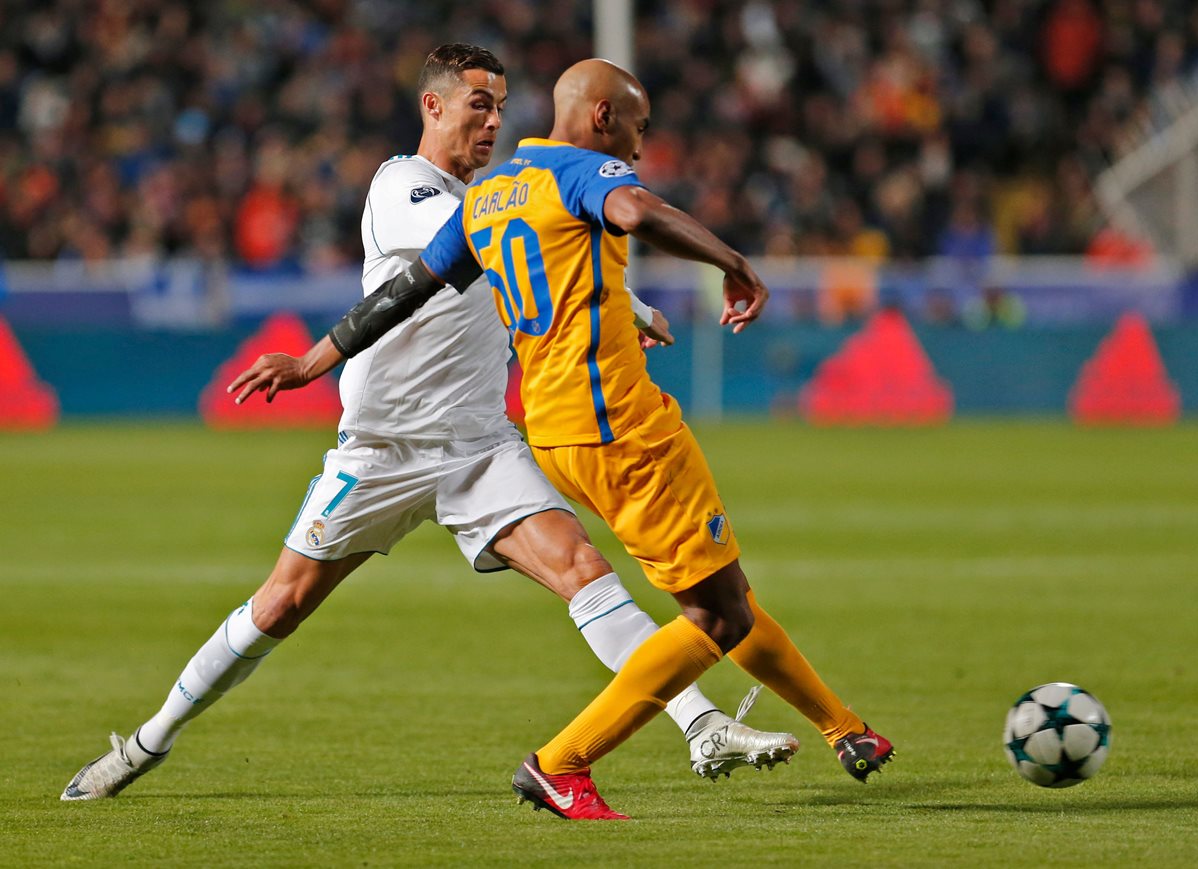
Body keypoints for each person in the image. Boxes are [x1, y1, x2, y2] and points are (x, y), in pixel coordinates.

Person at [59, 45, 798, 805]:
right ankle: (147, 742)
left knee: (582, 568)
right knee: (279, 604)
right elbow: (500, 242)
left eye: (503, 106)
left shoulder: (501, 198)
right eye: (479, 103)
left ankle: (700, 723)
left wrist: (618, 305)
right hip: (382, 448)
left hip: (477, 445)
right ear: (433, 106)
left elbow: (528, 246)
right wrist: (628, 300)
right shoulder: (401, 186)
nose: (493, 120)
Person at [230, 58, 896, 821]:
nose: (641, 148)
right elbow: (637, 208)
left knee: (721, 594)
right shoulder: (581, 172)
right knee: (717, 617)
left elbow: (404, 289)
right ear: (605, 118)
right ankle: (560, 762)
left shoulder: (489, 194)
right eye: (639, 129)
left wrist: (314, 361)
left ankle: (846, 728)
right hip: (623, 429)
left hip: (554, 433)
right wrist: (733, 263)